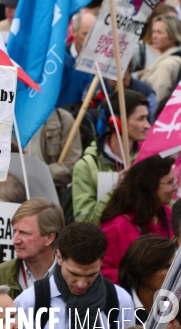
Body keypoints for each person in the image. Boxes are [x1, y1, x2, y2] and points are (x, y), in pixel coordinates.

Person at [14, 222, 134, 329]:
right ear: (59, 257)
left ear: (102, 261)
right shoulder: (29, 302)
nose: (81, 284)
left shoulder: (120, 301)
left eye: (91, 275)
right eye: (74, 274)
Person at [72, 90, 151, 225]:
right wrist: (115, 191)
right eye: (140, 119)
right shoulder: (86, 166)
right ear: (116, 122)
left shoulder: (149, 160)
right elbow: (85, 223)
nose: (147, 125)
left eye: (147, 118)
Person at [100, 155, 176, 283]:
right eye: (169, 183)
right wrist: (140, 278)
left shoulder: (168, 214)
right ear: (149, 186)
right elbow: (101, 272)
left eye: (174, 181)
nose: (174, 188)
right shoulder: (116, 227)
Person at [0, 198, 64, 300]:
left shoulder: (73, 278)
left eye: (24, 233)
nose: (15, 240)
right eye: (14, 231)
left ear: (49, 237)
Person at [21, 108, 83, 196]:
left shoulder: (63, 119)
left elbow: (73, 166)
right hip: (15, 194)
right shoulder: (7, 120)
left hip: (50, 195)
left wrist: (38, 174)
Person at [118, 235, 177, 323]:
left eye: (175, 266)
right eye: (168, 267)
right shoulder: (118, 306)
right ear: (143, 272)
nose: (175, 273)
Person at [139, 14, 181, 103]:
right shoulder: (169, 58)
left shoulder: (166, 65)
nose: (154, 36)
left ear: (173, 36)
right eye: (153, 31)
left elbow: (156, 99)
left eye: (159, 32)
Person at [57, 12, 96, 107]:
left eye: (93, 34)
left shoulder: (100, 62)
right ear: (74, 32)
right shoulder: (59, 57)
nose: (89, 39)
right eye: (85, 34)